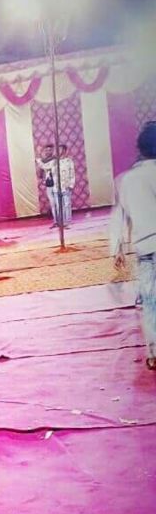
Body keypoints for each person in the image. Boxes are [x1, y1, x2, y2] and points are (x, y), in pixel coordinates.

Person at [110, 121, 156, 371]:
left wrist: (117, 248)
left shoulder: (128, 180)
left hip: (146, 246)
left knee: (151, 302)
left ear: (140, 148)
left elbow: (120, 216)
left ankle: (154, 352)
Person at [58, 144, 75, 227]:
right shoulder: (56, 162)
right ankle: (63, 221)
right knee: (61, 205)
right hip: (58, 186)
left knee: (67, 204)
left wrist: (71, 185)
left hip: (67, 185)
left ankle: (68, 221)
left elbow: (72, 173)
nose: (59, 151)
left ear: (64, 150)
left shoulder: (69, 161)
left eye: (60, 149)